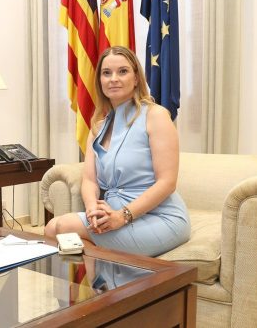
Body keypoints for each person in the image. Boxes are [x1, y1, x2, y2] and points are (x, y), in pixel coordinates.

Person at [44, 46, 190, 257]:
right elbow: (90, 180)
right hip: (112, 213)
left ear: (137, 78)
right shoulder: (98, 127)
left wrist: (123, 216)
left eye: (122, 71)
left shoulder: (156, 116)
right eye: (106, 73)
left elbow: (167, 182)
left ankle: (102, 283)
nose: (114, 78)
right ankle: (102, 284)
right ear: (100, 81)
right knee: (50, 229)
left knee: (63, 226)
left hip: (159, 217)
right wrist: (93, 208)